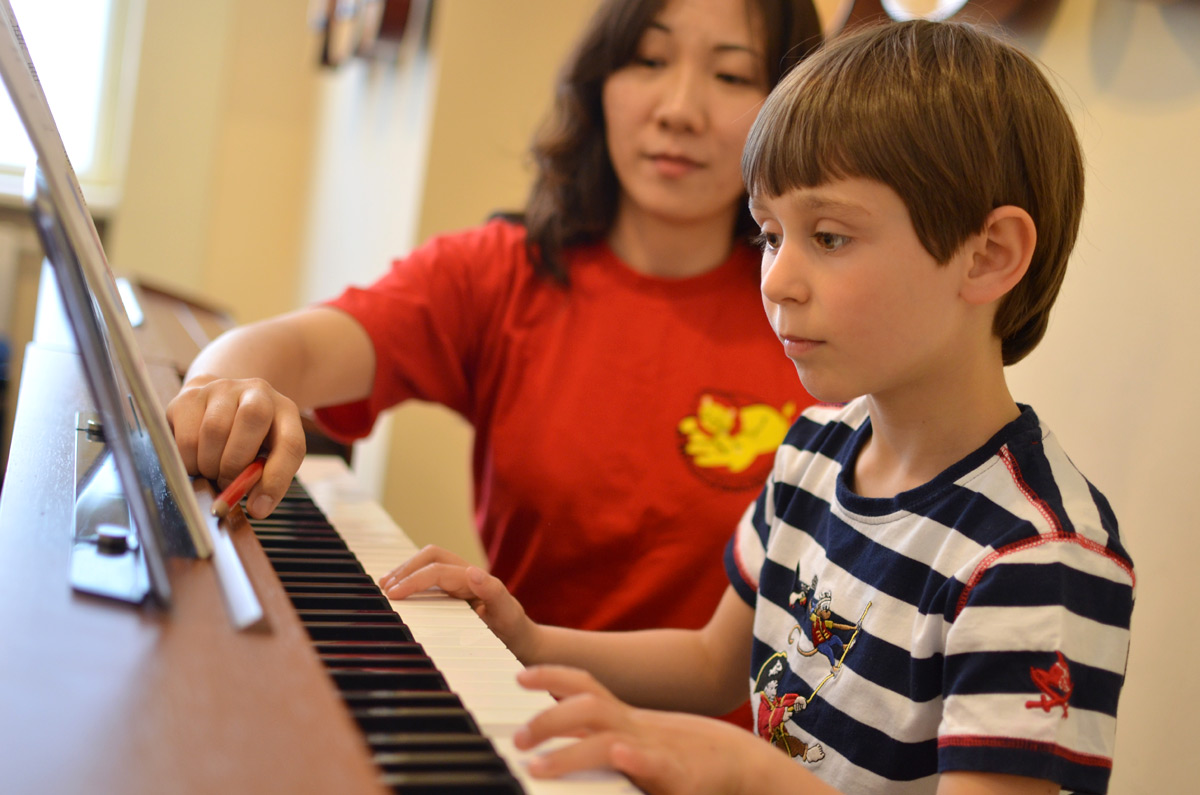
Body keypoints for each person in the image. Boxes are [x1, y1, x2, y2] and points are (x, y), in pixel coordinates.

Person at [379, 19, 1136, 795]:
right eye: (771, 234)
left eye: (831, 236)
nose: (776, 280)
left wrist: (747, 772)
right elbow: (714, 666)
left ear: (989, 255)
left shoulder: (1036, 556)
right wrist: (527, 637)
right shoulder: (815, 450)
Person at [166, 0, 822, 725]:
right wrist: (220, 388)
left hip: (727, 758)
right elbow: (296, 345)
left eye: (732, 75)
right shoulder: (503, 273)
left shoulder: (813, 312)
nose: (679, 109)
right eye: (648, 60)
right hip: (527, 720)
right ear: (601, 78)